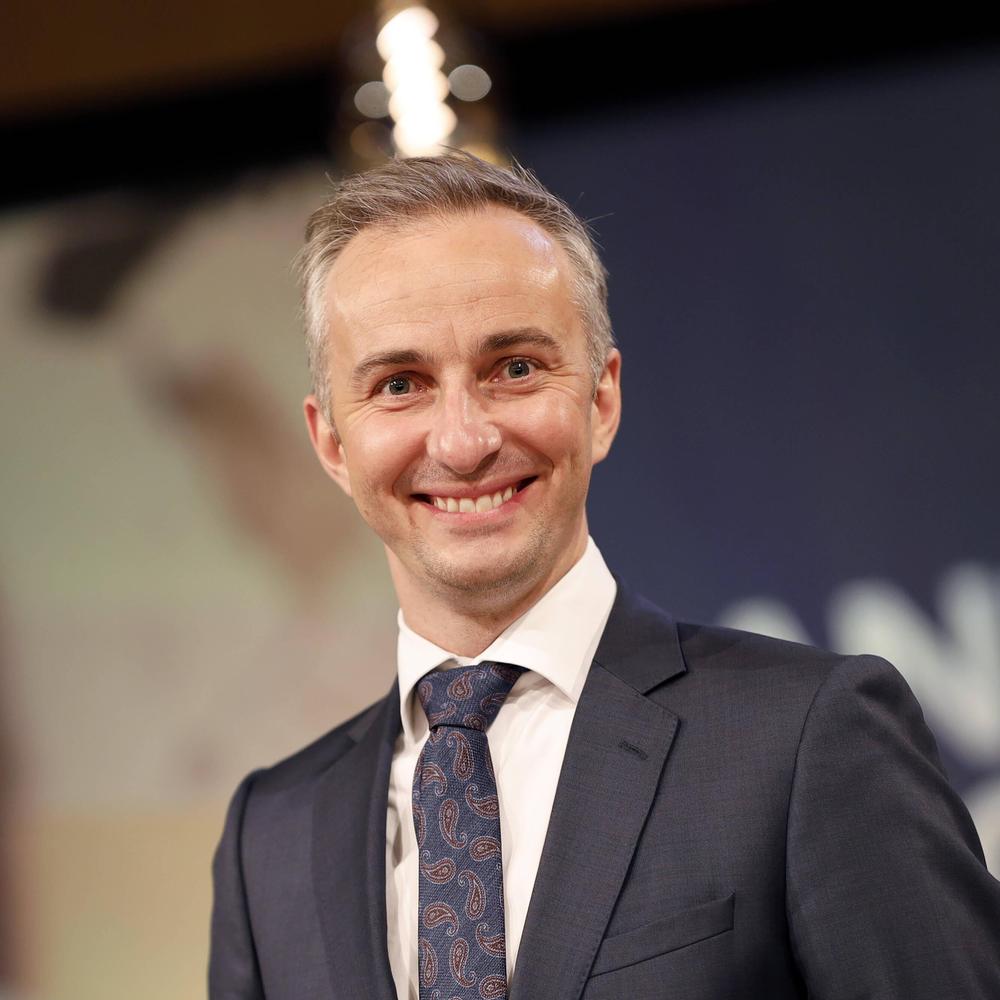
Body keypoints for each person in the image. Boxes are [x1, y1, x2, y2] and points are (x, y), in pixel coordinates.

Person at [209, 152, 1000, 1000]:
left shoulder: (809, 738)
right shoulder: (271, 837)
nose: (463, 441)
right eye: (400, 384)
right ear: (332, 443)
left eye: (515, 368)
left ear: (601, 400)